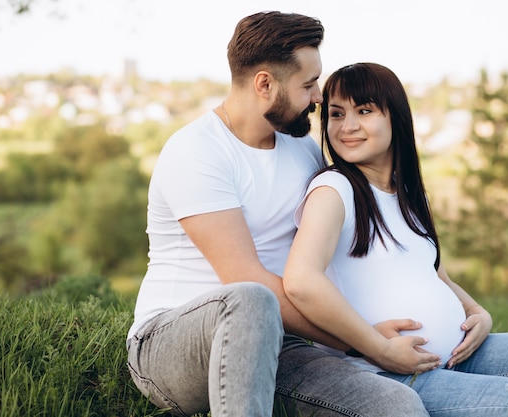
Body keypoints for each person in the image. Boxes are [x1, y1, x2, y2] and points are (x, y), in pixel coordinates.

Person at [126, 13, 430, 417]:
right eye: (308, 84)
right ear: (265, 85)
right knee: (252, 298)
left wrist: (463, 306)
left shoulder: (301, 149)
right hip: (169, 346)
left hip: (281, 341)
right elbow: (246, 279)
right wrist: (368, 345)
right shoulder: (196, 152)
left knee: (397, 407)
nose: (320, 96)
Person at [283, 62, 508, 417]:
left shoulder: (407, 194)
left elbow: (433, 273)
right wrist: (379, 349)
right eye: (336, 114)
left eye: (364, 110)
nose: (347, 126)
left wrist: (477, 311)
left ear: (394, 117)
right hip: (387, 372)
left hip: (453, 357)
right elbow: (302, 281)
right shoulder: (334, 190)